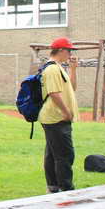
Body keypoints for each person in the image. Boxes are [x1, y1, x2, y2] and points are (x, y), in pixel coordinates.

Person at [39, 37, 79, 192]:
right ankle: (66, 188)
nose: (70, 54)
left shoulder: (58, 67)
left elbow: (72, 88)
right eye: (69, 51)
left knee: (53, 153)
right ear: (61, 50)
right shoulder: (52, 69)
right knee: (65, 154)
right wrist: (66, 112)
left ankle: (53, 187)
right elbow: (54, 93)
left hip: (56, 117)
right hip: (56, 117)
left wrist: (73, 69)